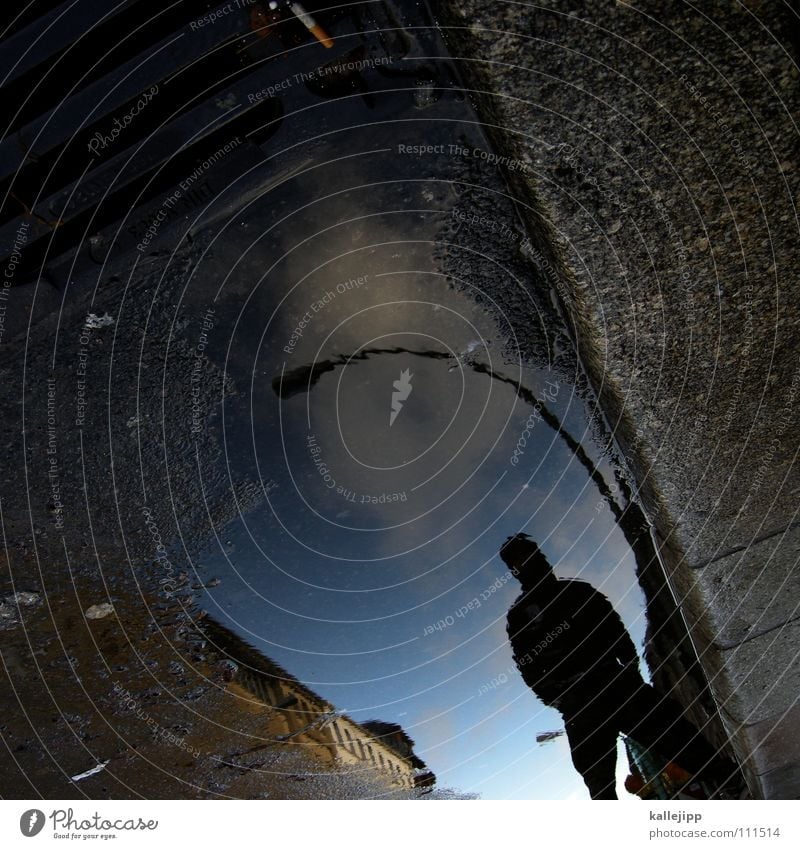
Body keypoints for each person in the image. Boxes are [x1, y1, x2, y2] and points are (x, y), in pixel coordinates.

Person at [501, 533, 737, 799]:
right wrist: (560, 699)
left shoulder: (579, 591)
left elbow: (615, 628)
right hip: (580, 701)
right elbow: (527, 666)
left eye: (536, 554)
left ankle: (730, 781)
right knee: (599, 780)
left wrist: (628, 666)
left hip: (614, 683)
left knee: (678, 736)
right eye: (522, 561)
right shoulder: (521, 615)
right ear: (514, 571)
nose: (534, 562)